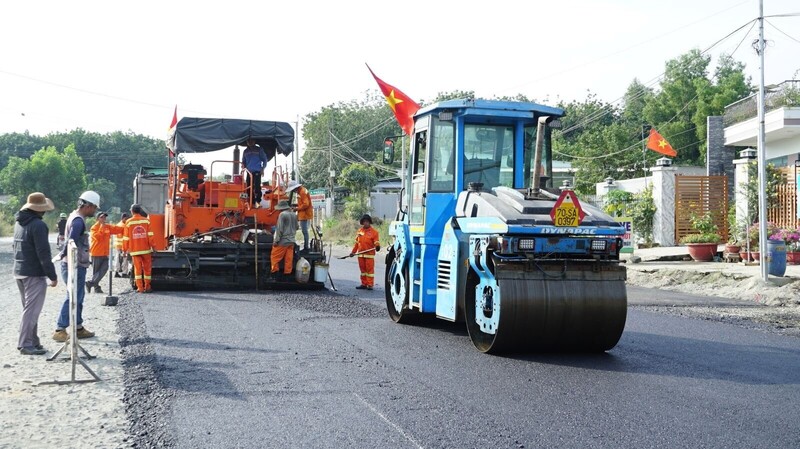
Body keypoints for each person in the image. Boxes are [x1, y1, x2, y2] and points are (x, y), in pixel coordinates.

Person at [13, 192, 59, 355]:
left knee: (29, 309)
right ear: (39, 210)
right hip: (33, 273)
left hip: (19, 271)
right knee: (32, 310)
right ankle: (25, 344)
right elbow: (43, 253)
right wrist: (52, 276)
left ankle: (33, 340)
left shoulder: (19, 223)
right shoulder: (39, 226)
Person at [53, 190, 100, 342]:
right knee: (73, 296)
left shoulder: (75, 217)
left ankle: (78, 327)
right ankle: (60, 329)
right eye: (94, 208)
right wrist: (62, 254)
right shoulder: (78, 221)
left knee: (78, 296)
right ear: (88, 206)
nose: (95, 211)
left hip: (75, 264)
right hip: (74, 265)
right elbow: (71, 242)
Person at [86, 211, 124, 294]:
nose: (104, 219)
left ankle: (91, 283)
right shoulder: (94, 228)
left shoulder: (108, 227)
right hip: (96, 253)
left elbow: (117, 229)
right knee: (96, 272)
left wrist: (127, 226)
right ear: (97, 218)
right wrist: (102, 227)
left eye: (105, 217)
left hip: (105, 253)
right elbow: (98, 237)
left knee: (105, 268)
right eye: (102, 217)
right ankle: (96, 288)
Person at [123, 204, 156, 293]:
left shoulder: (129, 222)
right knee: (147, 269)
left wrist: (124, 250)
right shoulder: (146, 221)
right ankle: (148, 287)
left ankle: (140, 288)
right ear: (140, 211)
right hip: (146, 250)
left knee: (137, 270)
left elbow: (126, 238)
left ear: (132, 211)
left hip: (135, 250)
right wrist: (154, 246)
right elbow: (150, 236)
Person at [350, 214, 380, 290]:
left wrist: (377, 246)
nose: (365, 223)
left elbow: (376, 241)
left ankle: (370, 284)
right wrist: (353, 252)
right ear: (362, 222)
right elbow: (357, 243)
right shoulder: (360, 231)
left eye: (367, 221)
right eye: (364, 222)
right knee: (363, 271)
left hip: (369, 255)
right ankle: (364, 283)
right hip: (360, 255)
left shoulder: (374, 232)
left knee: (369, 271)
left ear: (369, 222)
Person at [270, 199, 298, 280]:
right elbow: (297, 227)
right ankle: (287, 275)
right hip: (292, 241)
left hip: (283, 241)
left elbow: (279, 229)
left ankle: (275, 274)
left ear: (281, 208)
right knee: (288, 259)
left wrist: (276, 241)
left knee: (274, 257)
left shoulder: (282, 215)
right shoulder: (294, 214)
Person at [241, 138, 268, 207]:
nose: (250, 142)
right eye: (248, 141)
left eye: (252, 140)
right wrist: (243, 166)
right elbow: (243, 161)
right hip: (248, 172)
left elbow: (264, 160)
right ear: (246, 142)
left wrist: (262, 169)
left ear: (255, 141)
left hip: (257, 171)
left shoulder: (259, 149)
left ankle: (257, 202)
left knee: (257, 187)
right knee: (248, 187)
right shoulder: (245, 151)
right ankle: (251, 202)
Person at [288, 180, 314, 251]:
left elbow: (306, 204)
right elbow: (303, 203)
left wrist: (296, 209)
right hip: (303, 213)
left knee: (304, 231)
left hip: (304, 213)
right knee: (303, 230)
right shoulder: (302, 190)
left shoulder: (302, 192)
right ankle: (305, 246)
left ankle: (306, 247)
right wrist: (296, 206)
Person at [113, 213, 131, 277]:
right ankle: (124, 273)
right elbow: (126, 237)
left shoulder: (118, 224)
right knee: (125, 259)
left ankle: (116, 271)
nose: (127, 220)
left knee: (117, 259)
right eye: (127, 219)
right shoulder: (124, 226)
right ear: (124, 218)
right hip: (123, 245)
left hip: (118, 245)